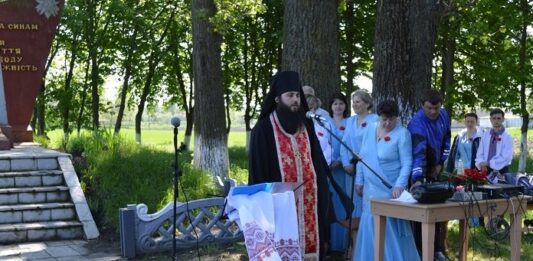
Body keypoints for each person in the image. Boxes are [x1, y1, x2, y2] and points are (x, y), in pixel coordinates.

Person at [248, 71, 343, 260]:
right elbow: (258, 174)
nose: (295, 100)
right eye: (290, 95)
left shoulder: (306, 126)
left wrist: (324, 202)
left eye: (297, 95)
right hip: (279, 209)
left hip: (310, 207)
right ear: (277, 98)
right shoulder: (263, 129)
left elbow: (318, 167)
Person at [353, 100, 419, 261]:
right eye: (384, 119)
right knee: (370, 222)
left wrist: (399, 185)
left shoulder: (402, 134)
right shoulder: (369, 129)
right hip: (370, 189)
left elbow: (407, 163)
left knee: (388, 224)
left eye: (392, 119)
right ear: (378, 116)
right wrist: (359, 180)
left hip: (389, 188)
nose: (388, 123)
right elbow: (362, 156)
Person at [407, 89, 451, 261]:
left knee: (438, 210)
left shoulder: (444, 115)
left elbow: (447, 139)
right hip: (419, 167)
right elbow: (418, 153)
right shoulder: (416, 123)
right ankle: (420, 251)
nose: (433, 112)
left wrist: (441, 163)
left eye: (436, 108)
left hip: (437, 165)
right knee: (421, 215)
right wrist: (417, 180)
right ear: (422, 106)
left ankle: (438, 249)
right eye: (429, 108)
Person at [339, 89, 378, 257]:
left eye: (358, 101)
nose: (355, 105)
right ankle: (352, 248)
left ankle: (367, 247)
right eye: (353, 102)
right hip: (351, 171)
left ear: (367, 103)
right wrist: (346, 163)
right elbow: (344, 143)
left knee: (365, 207)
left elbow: (372, 146)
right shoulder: (349, 121)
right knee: (352, 208)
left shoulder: (374, 120)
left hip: (368, 168)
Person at [326, 92, 350, 252]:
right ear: (331, 106)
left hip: (344, 170)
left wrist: (341, 161)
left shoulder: (350, 123)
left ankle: (344, 244)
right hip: (329, 170)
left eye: (341, 103)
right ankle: (331, 244)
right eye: (335, 104)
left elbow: (351, 145)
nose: (338, 106)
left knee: (344, 203)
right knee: (331, 204)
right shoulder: (324, 122)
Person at [475, 108, 513, 175]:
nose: (496, 121)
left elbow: (507, 156)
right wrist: (481, 163)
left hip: (501, 169)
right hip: (485, 169)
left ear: (503, 119)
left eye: (499, 118)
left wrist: (490, 163)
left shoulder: (507, 136)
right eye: (494, 118)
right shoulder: (485, 135)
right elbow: (480, 153)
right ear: (490, 119)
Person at [307, 94, 332, 165]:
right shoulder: (300, 120)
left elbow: (327, 142)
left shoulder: (323, 118)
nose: (311, 106)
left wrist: (323, 161)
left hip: (322, 159)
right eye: (308, 104)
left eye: (312, 103)